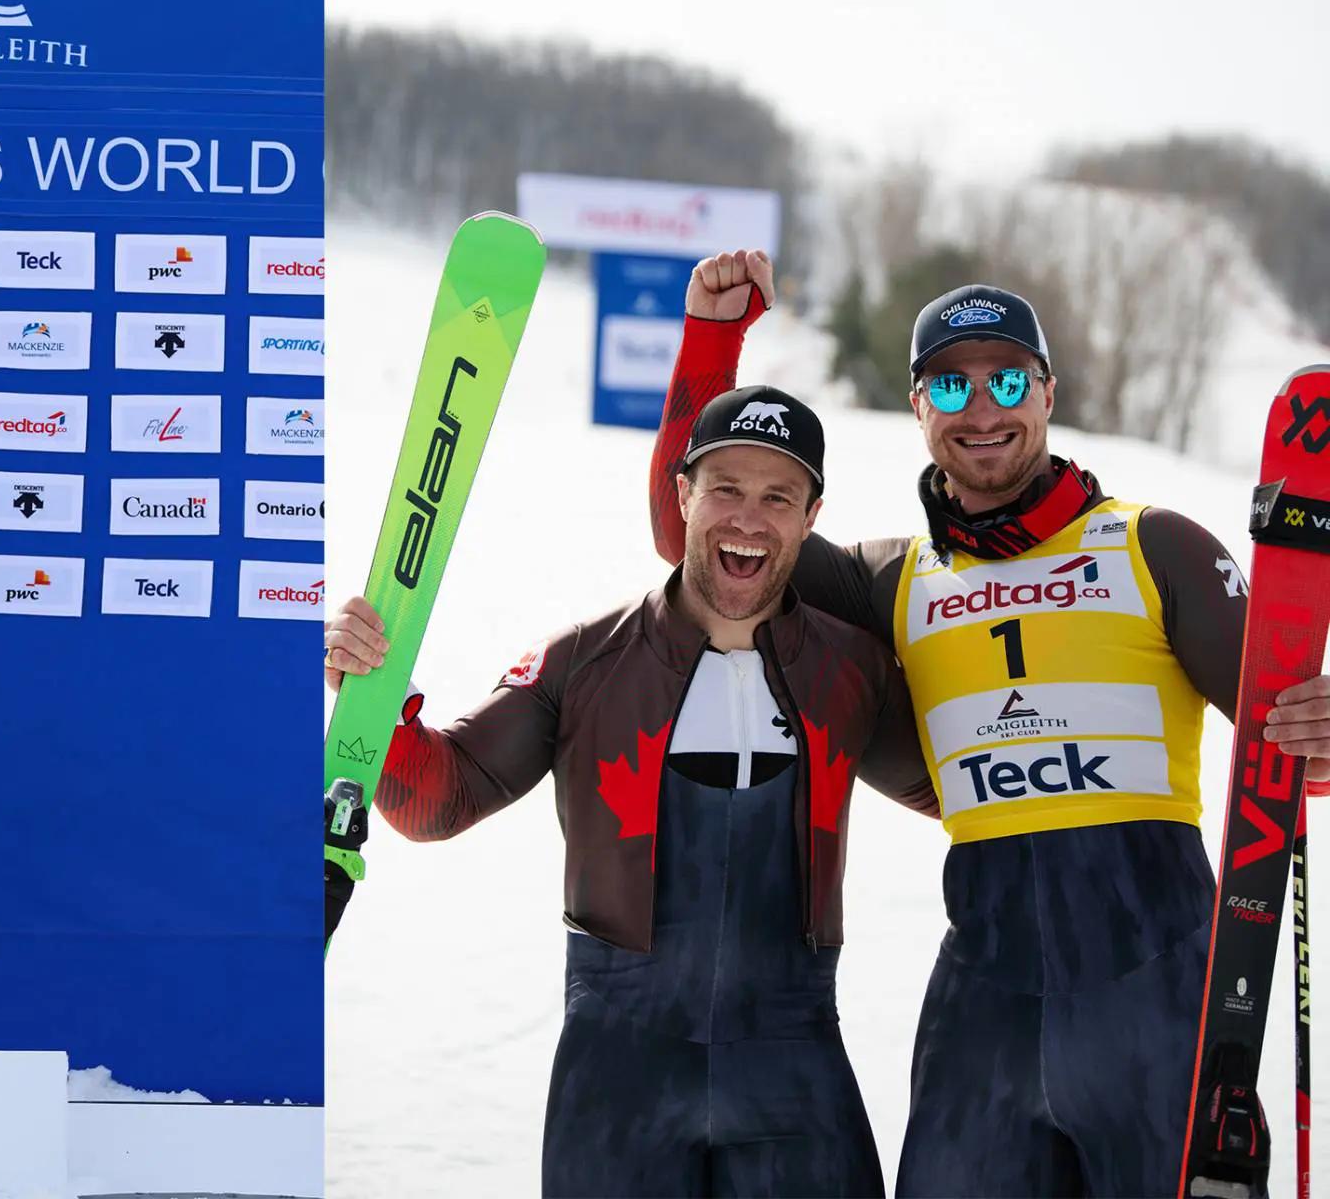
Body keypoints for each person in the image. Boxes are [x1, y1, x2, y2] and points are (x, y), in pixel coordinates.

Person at [648, 249, 1330, 1197]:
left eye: (1008, 378)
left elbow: (1285, 742)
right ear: (919, 405)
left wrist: (1320, 730)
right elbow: (704, 540)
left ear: (1048, 392)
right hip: (986, 1003)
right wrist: (712, 343)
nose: (982, 409)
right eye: (950, 383)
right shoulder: (893, 579)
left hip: (1155, 986)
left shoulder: (1152, 545)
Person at [326, 385, 939, 1197]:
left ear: (812, 513)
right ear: (683, 493)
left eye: (776, 497)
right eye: (725, 488)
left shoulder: (851, 669)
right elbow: (441, 800)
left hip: (794, 1067)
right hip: (619, 1073)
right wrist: (373, 699)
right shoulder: (587, 661)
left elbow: (962, 793)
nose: (748, 520)